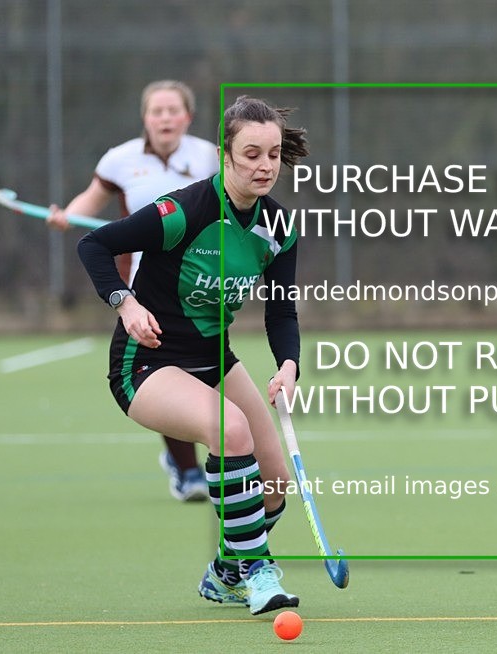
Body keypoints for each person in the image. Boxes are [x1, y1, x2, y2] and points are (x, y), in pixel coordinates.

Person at [77, 95, 309, 615]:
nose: (264, 165)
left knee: (274, 486)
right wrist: (125, 301)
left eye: (272, 154)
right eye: (251, 153)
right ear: (226, 153)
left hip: (215, 358)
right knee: (228, 430)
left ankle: (224, 574)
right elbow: (92, 244)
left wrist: (288, 367)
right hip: (147, 363)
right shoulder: (182, 210)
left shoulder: (278, 229)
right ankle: (257, 572)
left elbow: (282, 313)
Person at [48, 80, 219, 502]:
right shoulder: (120, 160)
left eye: (172, 111)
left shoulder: (210, 156)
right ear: (145, 118)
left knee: (203, 370)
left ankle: (200, 456)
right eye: (156, 111)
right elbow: (91, 201)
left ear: (187, 117)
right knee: (160, 369)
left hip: (197, 283)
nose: (164, 118)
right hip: (141, 288)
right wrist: (66, 216)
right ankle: (186, 468)